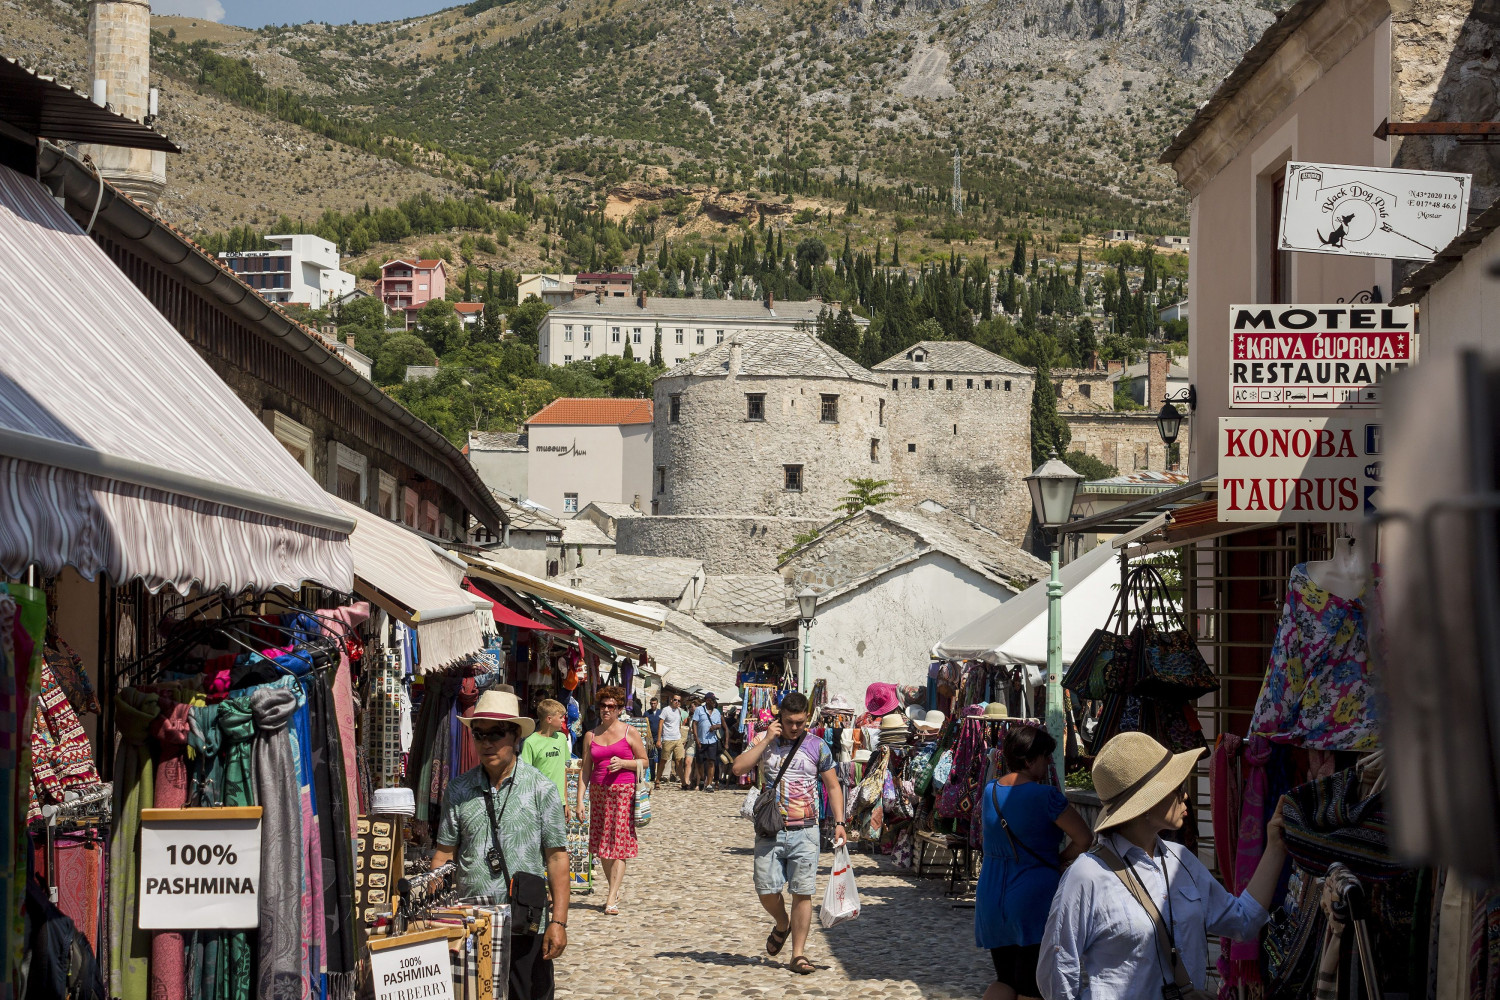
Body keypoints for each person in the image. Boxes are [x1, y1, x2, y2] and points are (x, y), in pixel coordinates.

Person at [1038, 732, 1288, 1000]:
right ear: (1146, 804)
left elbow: (1243, 920)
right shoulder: (1087, 876)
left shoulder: (1182, 861)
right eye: (1176, 788)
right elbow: (1057, 974)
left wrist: (1275, 846)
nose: (1186, 796)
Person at [432, 687, 569, 1000]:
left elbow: (557, 858)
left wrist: (558, 921)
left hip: (526, 920)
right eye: (479, 734)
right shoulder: (459, 789)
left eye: (496, 733)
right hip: (471, 921)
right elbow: (444, 852)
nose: (486, 742)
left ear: (516, 736)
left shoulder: (541, 789)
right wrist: (435, 912)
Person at [730, 691, 847, 976]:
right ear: (779, 717)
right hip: (770, 829)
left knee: (803, 892)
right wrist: (768, 738)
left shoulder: (818, 746)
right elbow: (737, 768)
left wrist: (841, 822)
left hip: (806, 831)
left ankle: (798, 954)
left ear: (807, 718)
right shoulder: (765, 741)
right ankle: (782, 923)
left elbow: (833, 786)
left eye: (801, 722)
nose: (795, 727)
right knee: (766, 889)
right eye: (790, 722)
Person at [976, 728, 1094, 1000]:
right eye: (1045, 757)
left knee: (1005, 980)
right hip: (1032, 895)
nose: (1049, 763)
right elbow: (1084, 838)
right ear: (1029, 760)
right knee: (1033, 985)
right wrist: (1061, 859)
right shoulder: (1046, 797)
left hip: (992, 893)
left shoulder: (990, 791)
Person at [576, 685, 648, 915]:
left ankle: (610, 898)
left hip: (623, 792)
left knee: (618, 846)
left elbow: (644, 761)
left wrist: (625, 764)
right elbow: (585, 770)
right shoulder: (591, 735)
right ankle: (613, 889)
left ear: (619, 709)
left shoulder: (629, 732)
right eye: (603, 706)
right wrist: (580, 800)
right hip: (598, 793)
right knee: (602, 846)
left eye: (611, 706)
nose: (606, 710)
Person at [522, 699, 574, 820]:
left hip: (559, 802)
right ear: (549, 719)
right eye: (561, 717)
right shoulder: (530, 743)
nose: (563, 720)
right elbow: (525, 778)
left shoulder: (561, 738)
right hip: (539, 802)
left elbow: (564, 771)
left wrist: (566, 801)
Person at [691, 692, 727, 792]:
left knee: (711, 762)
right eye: (713, 700)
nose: (714, 703)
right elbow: (694, 724)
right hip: (701, 740)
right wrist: (696, 738)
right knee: (699, 762)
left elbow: (720, 725)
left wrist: (715, 727)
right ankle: (702, 779)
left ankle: (709, 784)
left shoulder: (717, 712)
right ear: (707, 701)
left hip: (712, 741)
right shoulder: (699, 710)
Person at [658, 693, 686, 785]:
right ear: (671, 700)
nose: (676, 702)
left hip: (677, 739)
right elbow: (660, 724)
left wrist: (681, 737)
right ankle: (657, 780)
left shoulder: (679, 710)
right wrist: (659, 739)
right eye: (675, 700)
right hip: (668, 738)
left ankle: (683, 783)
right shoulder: (666, 710)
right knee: (663, 760)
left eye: (678, 700)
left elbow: (678, 724)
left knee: (679, 760)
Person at [645, 697, 662, 782]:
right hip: (650, 738)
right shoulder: (647, 713)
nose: (653, 705)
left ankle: (659, 775)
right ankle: (652, 775)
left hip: (659, 737)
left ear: (657, 703)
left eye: (654, 703)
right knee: (651, 757)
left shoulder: (661, 713)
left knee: (660, 757)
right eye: (651, 703)